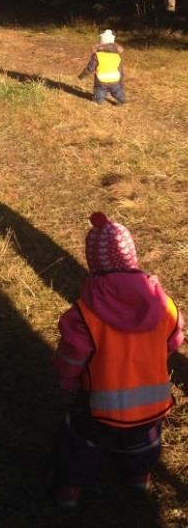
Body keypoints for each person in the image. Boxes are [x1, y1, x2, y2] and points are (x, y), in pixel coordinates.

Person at [53, 211, 184, 510]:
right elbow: (174, 341)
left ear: (93, 264)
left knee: (81, 442)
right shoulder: (164, 305)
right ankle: (139, 476)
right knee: (145, 440)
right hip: (152, 401)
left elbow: (72, 356)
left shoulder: (83, 315)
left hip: (99, 402)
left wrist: (67, 379)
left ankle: (70, 490)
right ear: (132, 257)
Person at [78, 28, 126, 104]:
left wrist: (82, 75)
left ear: (101, 42)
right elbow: (120, 70)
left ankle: (98, 100)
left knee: (99, 90)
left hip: (101, 79)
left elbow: (90, 68)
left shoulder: (97, 55)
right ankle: (121, 99)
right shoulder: (117, 56)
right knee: (117, 90)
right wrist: (121, 79)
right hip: (115, 78)